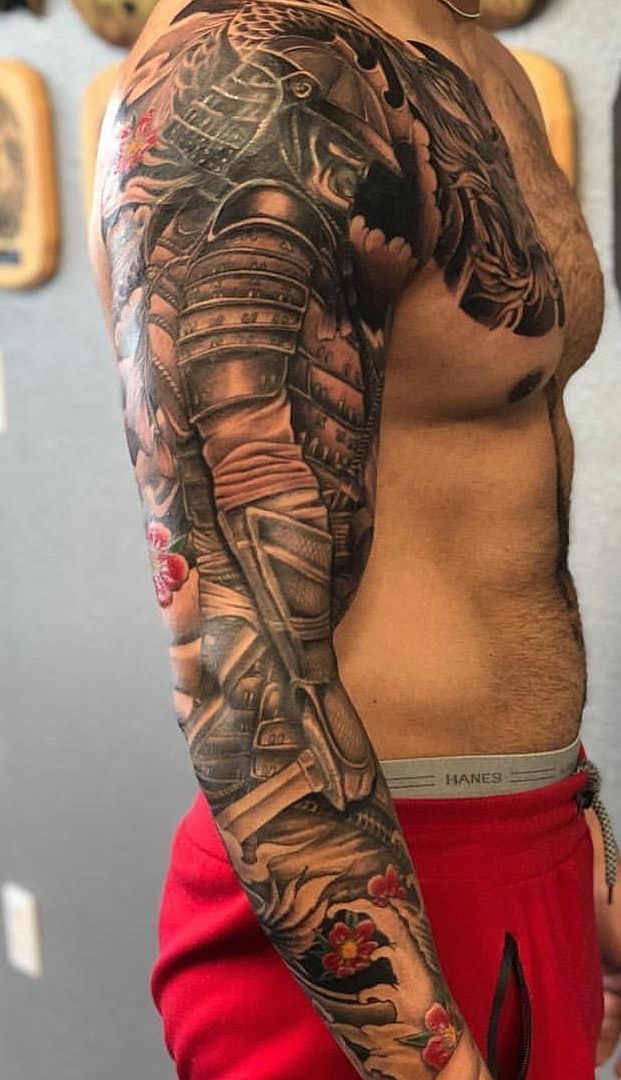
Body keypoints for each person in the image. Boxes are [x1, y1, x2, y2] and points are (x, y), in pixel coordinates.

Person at [89, 0, 621, 1075]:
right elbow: (242, 671)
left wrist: (580, 844)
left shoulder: (473, 51)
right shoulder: (256, 74)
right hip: (360, 901)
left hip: (527, 838)